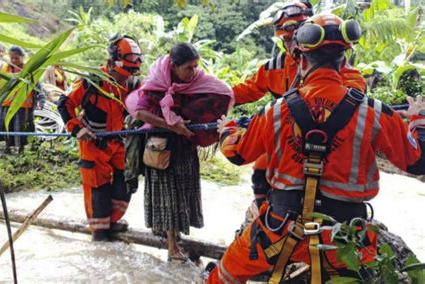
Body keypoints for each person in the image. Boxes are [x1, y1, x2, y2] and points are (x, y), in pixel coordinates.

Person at [207, 14, 425, 283]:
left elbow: (236, 153)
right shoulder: (375, 113)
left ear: (300, 59)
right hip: (346, 239)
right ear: (343, 60)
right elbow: (417, 162)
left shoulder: (274, 112)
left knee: (221, 276)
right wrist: (419, 120)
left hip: (278, 229)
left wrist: (227, 129)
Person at [232, 2, 367, 213]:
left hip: (328, 140)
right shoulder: (275, 67)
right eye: (285, 39)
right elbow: (248, 90)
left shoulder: (339, 67)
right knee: (261, 170)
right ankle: (265, 213)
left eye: (294, 37)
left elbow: (354, 92)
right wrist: (214, 96)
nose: (290, 44)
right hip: (289, 137)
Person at [126, 43, 234, 262]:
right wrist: (170, 124)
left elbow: (219, 94)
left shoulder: (197, 83)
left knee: (184, 193)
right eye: (188, 68)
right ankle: (172, 247)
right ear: (174, 66)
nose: (193, 72)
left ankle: (177, 238)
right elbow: (140, 112)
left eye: (196, 67)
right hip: (162, 149)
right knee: (168, 196)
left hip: (185, 148)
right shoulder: (156, 84)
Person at [57, 35, 143, 241]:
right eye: (126, 71)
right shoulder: (91, 81)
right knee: (98, 188)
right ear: (112, 63)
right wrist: (77, 129)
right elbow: (64, 103)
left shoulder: (133, 84)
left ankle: (112, 221)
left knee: (127, 182)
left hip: (119, 140)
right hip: (93, 143)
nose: (128, 77)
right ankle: (100, 232)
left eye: (132, 71)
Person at [0, 46, 45, 154]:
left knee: (21, 128)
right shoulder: (4, 68)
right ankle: (7, 147)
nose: (13, 61)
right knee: (6, 125)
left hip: (23, 105)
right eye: (11, 58)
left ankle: (21, 149)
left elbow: (38, 86)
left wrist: (41, 100)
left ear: (23, 57)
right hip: (6, 104)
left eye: (16, 58)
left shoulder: (29, 70)